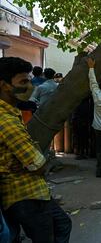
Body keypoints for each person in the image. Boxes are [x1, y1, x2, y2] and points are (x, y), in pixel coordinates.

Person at [0, 57, 71, 242]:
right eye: (23, 82)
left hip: (27, 193)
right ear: (5, 85)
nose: (29, 86)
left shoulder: (11, 114)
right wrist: (33, 162)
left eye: (29, 80)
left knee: (62, 224)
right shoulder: (6, 121)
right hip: (26, 194)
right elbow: (39, 165)